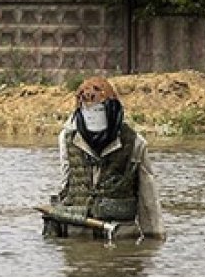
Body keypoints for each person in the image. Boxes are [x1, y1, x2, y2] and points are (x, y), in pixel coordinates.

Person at [43, 76, 165, 239]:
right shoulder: (68, 139)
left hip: (119, 237)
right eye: (88, 110)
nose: (93, 117)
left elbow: (149, 203)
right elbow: (66, 185)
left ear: (111, 109)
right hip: (78, 238)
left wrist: (153, 242)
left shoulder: (135, 143)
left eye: (99, 110)